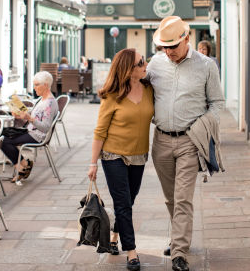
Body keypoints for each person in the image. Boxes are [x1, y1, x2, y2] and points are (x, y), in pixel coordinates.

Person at [146, 16, 224, 271]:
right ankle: (179, 237)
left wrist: (202, 127)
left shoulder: (206, 65)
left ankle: (179, 251)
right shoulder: (155, 64)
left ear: (186, 39)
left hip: (190, 141)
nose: (168, 52)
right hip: (161, 141)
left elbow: (217, 104)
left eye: (173, 47)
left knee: (182, 198)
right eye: (164, 47)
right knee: (171, 198)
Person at [88, 48, 153, 271]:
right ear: (128, 70)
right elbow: (100, 131)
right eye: (140, 63)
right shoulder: (112, 95)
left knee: (128, 201)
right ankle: (132, 252)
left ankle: (115, 235)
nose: (146, 64)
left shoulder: (148, 88)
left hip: (139, 155)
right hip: (113, 155)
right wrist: (93, 163)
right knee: (123, 204)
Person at [1, 71, 58, 184]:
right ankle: (24, 164)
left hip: (37, 135)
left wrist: (29, 118)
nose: (34, 87)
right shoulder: (43, 99)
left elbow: (45, 128)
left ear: (45, 85)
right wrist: (21, 115)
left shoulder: (49, 103)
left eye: (37, 85)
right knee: (2, 135)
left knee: (3, 141)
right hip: (31, 131)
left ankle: (22, 167)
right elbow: (36, 116)